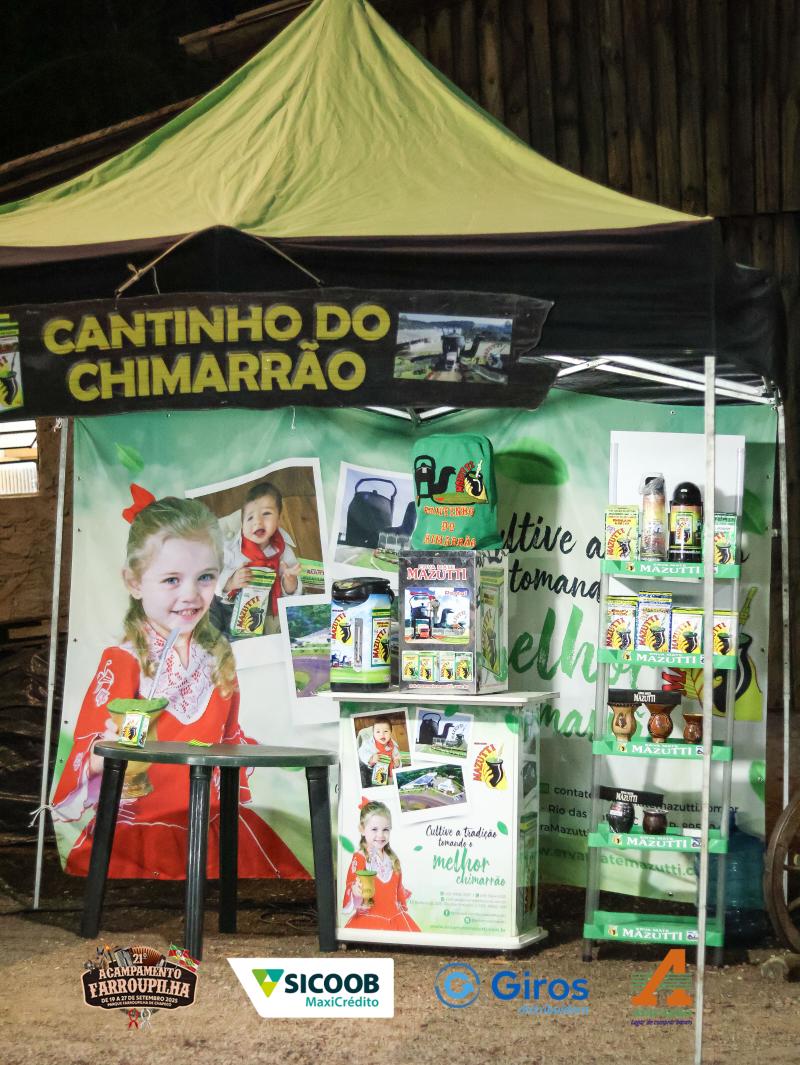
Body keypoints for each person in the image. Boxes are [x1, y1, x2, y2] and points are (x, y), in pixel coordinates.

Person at [51, 495, 307, 881]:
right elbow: (100, 746)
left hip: (212, 820)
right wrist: (112, 749)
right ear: (134, 582)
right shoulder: (125, 661)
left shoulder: (219, 658)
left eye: (204, 577)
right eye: (172, 579)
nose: (190, 594)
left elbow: (227, 738)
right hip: (144, 828)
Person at [216, 481, 302, 636]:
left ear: (279, 518)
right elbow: (217, 586)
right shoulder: (233, 550)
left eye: (266, 514)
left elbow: (292, 592)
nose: (258, 521)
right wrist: (231, 582)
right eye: (250, 518)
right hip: (235, 610)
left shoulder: (283, 550)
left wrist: (290, 581)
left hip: (269, 610)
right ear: (242, 525)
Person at [342, 801, 419, 932]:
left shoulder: (393, 859)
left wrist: (402, 905)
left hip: (396, 919)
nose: (380, 835)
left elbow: (397, 889)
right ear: (362, 829)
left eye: (385, 829)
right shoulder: (360, 857)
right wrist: (355, 891)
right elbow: (351, 883)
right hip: (370, 919)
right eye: (374, 829)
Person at [358, 719, 402, 786]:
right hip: (371, 772)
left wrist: (397, 763)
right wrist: (371, 758)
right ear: (373, 733)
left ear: (390, 732)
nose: (382, 734)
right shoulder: (368, 744)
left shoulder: (393, 746)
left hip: (388, 774)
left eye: (386, 731)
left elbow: (398, 757)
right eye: (378, 732)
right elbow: (362, 752)